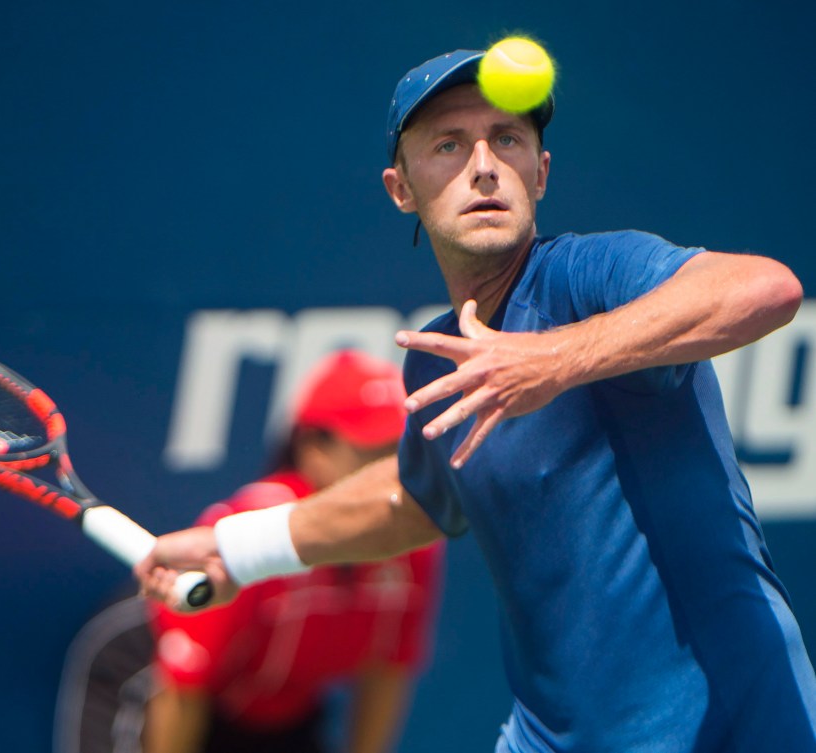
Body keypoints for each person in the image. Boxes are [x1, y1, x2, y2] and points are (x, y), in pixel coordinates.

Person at [136, 46, 816, 752]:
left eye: (508, 140)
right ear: (400, 188)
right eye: (448, 144)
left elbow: (762, 290)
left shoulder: (591, 276)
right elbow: (412, 500)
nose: (484, 165)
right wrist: (236, 550)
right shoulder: (440, 363)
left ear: (539, 174)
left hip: (734, 729)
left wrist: (553, 358)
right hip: (548, 738)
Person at [58, 350, 444, 753]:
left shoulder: (412, 531)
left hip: (277, 713)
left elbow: (387, 671)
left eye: (398, 451)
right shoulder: (257, 527)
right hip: (156, 684)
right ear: (312, 447)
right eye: (372, 451)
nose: (392, 471)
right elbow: (184, 690)